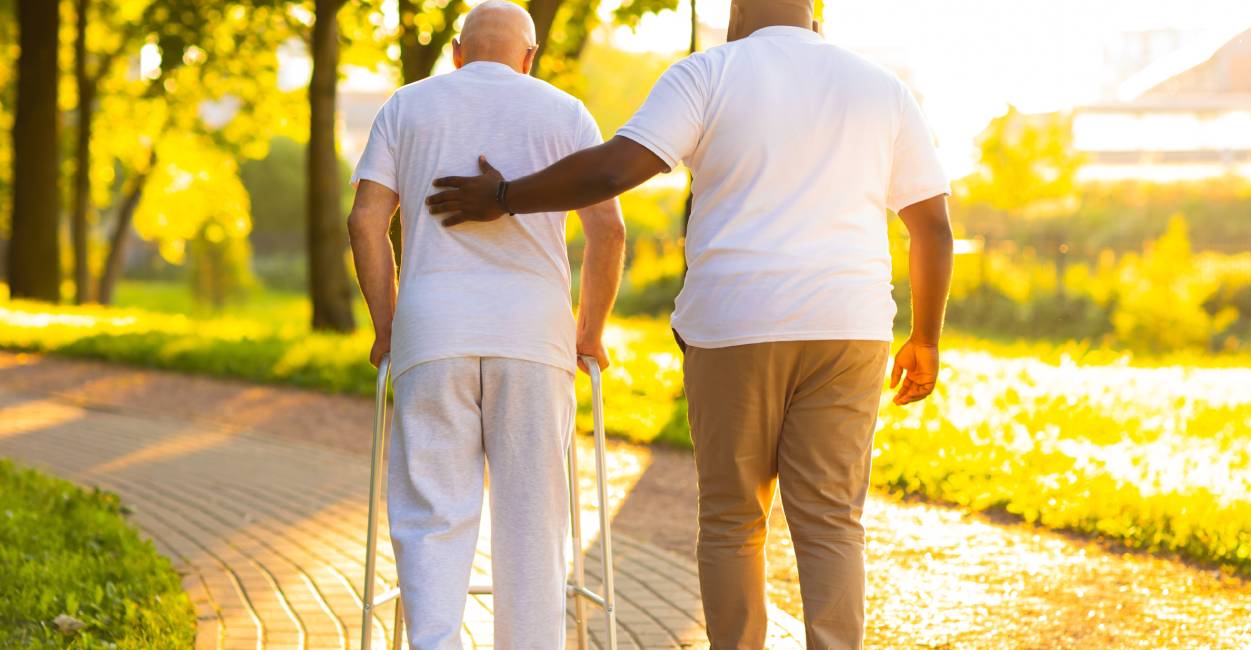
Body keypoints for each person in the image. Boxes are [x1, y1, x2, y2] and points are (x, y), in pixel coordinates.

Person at [424, 0, 952, 646]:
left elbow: (616, 168)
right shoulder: (881, 89)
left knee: (733, 518)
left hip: (736, 322)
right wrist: (925, 339)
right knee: (833, 522)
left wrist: (505, 197)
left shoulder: (708, 74)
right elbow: (932, 225)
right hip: (850, 327)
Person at [345, 1, 626, 647]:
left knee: (433, 514)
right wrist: (589, 331)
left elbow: (365, 220)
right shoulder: (564, 111)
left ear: (457, 53)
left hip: (433, 329)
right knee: (533, 518)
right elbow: (608, 230)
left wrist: (388, 326)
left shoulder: (407, 105)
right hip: (534, 335)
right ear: (529, 58)